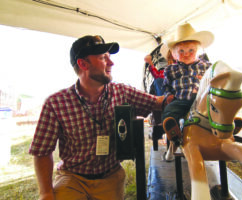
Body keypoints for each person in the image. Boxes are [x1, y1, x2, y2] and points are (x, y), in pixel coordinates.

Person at [29, 35, 173, 200]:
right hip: (72, 177)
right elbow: (42, 151)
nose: (111, 63)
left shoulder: (122, 92)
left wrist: (183, 95)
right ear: (83, 64)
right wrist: (46, 193)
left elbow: (158, 102)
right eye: (103, 58)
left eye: (109, 57)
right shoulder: (56, 103)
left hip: (110, 176)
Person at [161, 23, 214, 144]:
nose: (186, 54)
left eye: (191, 50)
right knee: (169, 111)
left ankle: (228, 127)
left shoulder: (207, 66)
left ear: (198, 51)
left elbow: (215, 82)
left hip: (203, 100)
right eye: (181, 51)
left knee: (218, 108)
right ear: (174, 54)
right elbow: (166, 85)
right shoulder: (170, 69)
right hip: (181, 100)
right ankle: (173, 133)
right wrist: (168, 95)